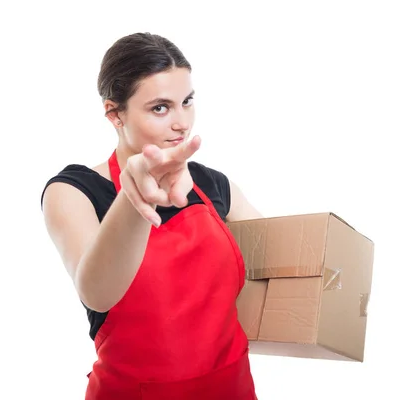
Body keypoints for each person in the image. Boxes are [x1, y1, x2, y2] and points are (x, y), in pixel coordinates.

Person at [40, 32, 263, 400]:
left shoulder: (213, 185)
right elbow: (97, 293)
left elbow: (281, 264)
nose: (181, 123)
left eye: (186, 102)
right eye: (160, 107)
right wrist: (134, 199)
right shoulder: (74, 191)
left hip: (232, 389)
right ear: (115, 113)